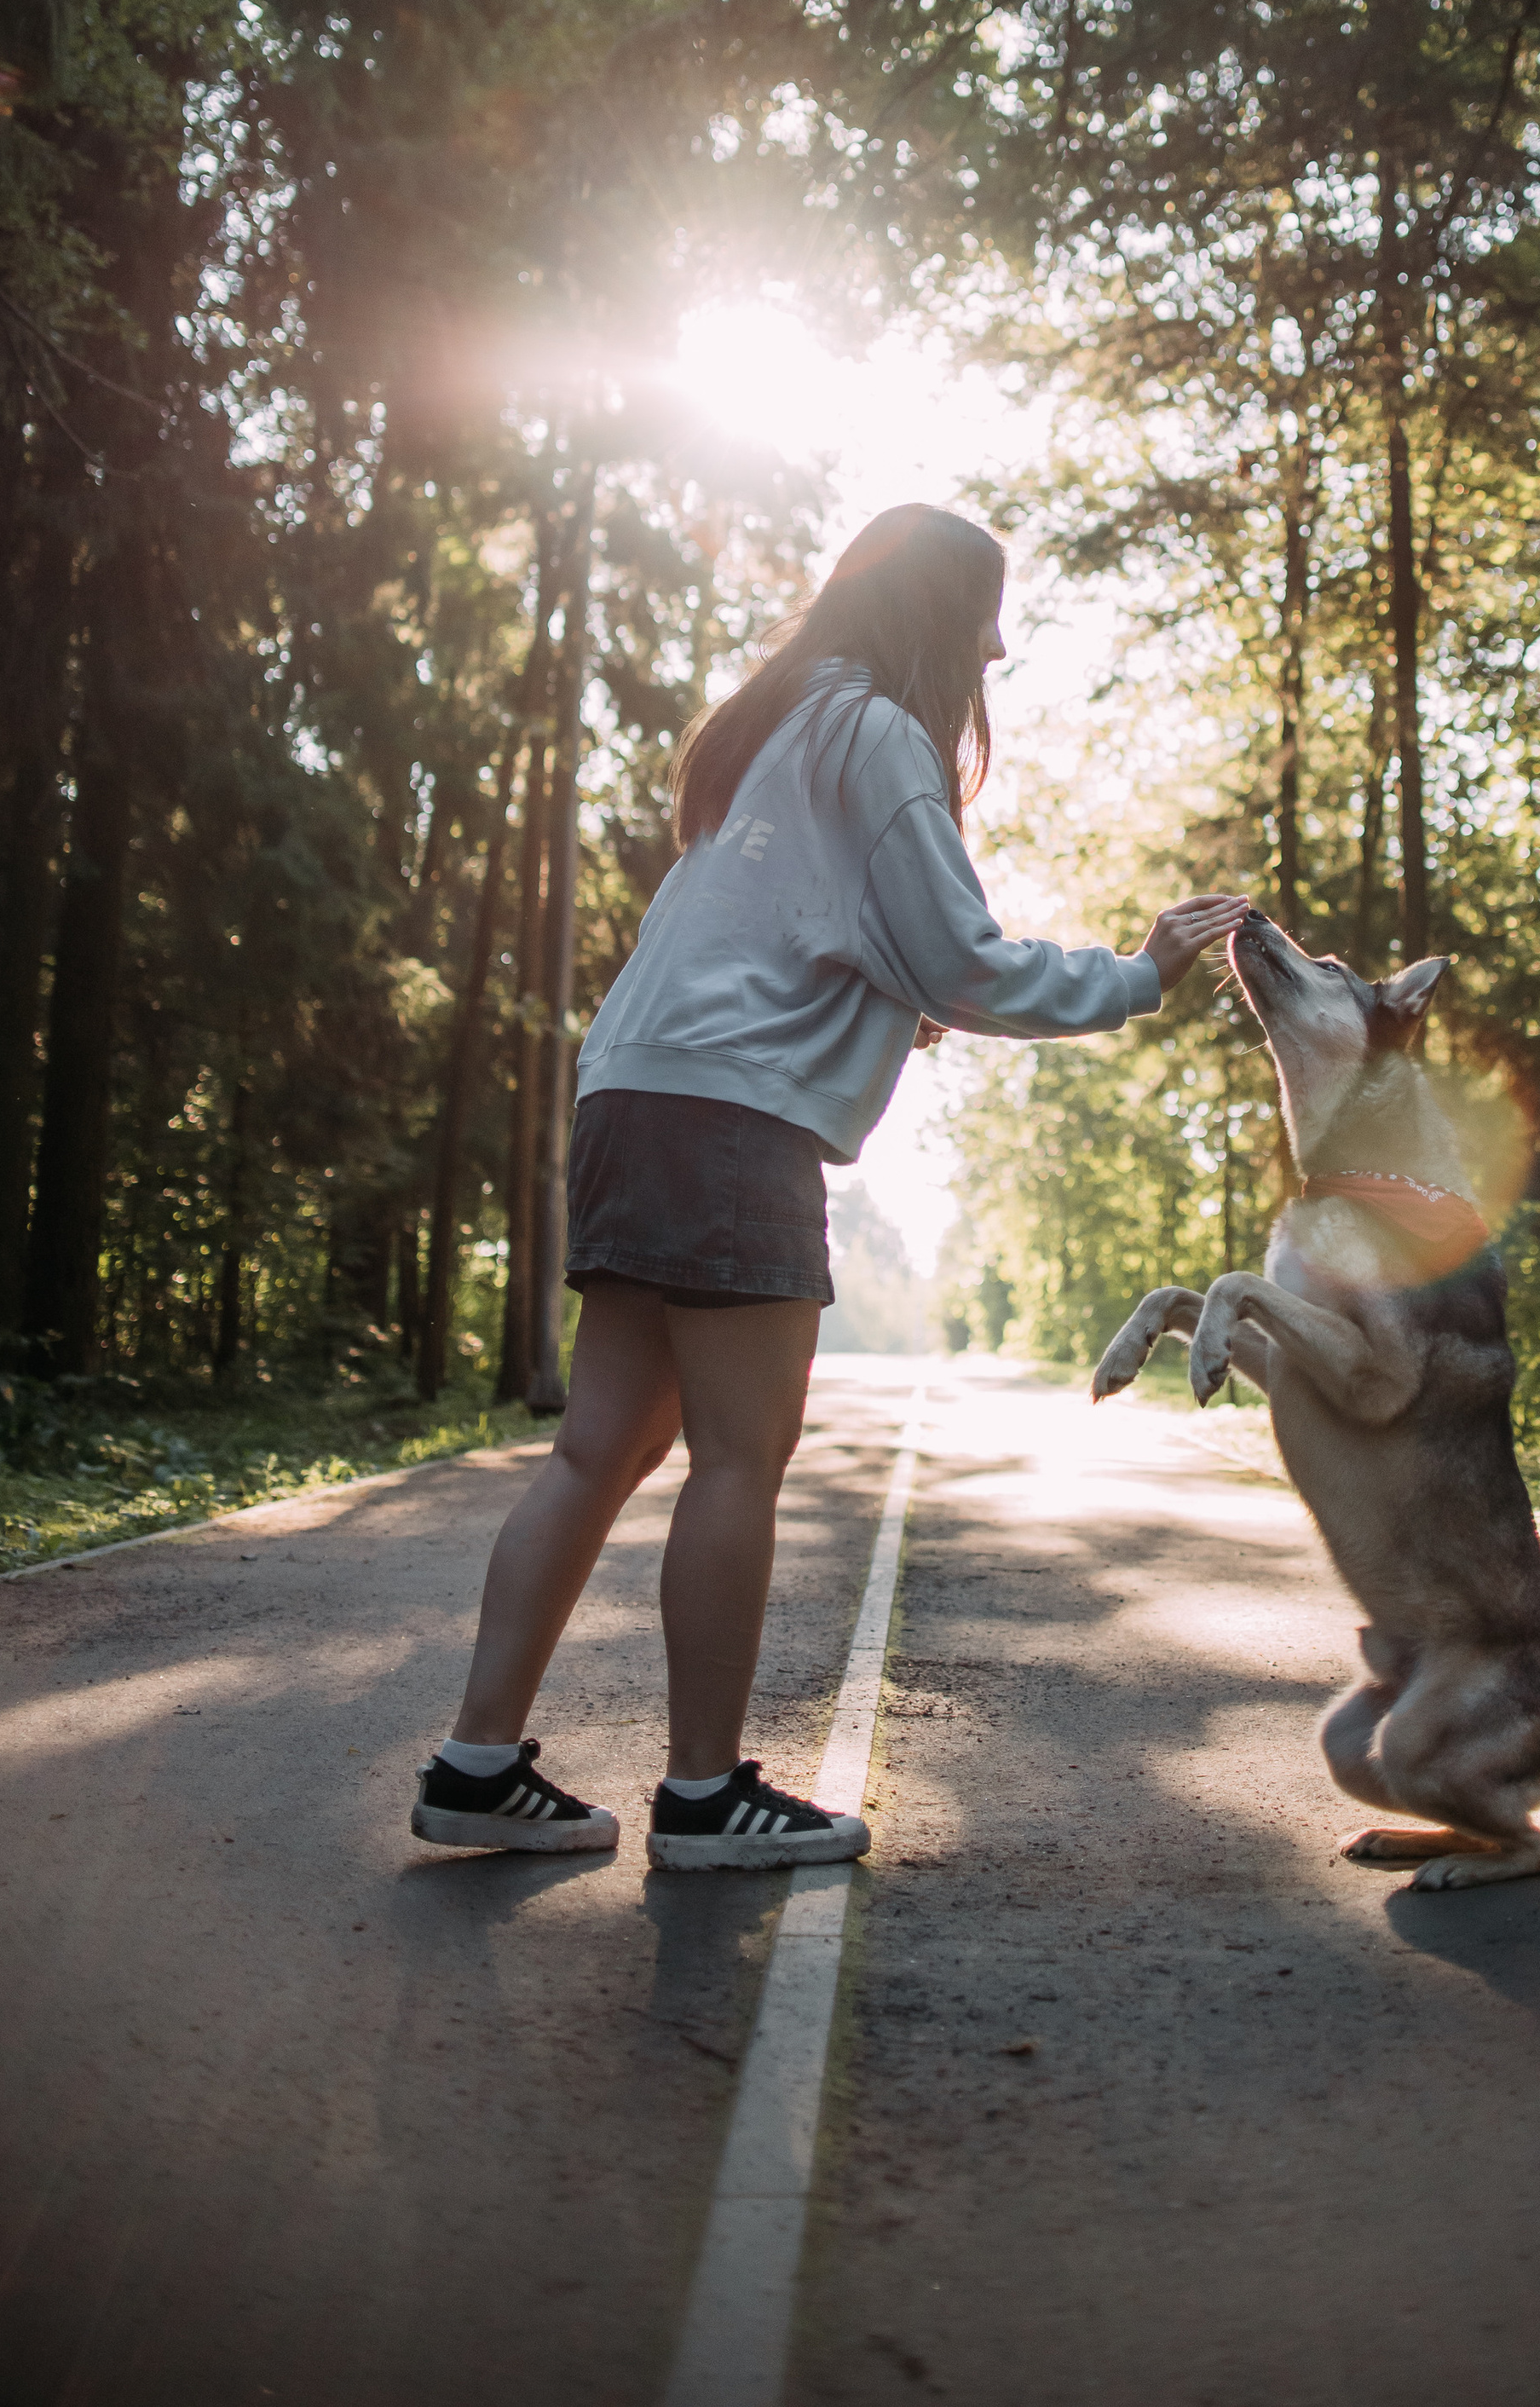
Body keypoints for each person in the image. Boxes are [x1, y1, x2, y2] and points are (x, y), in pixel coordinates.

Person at [412, 504, 1246, 1871]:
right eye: (986, 609)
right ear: (934, 611)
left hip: (629, 1089)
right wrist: (1139, 973)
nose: (998, 639)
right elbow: (964, 963)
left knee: (599, 1446)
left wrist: (880, 1004)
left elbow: (812, 940)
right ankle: (700, 1797)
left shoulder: (777, 728)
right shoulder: (879, 737)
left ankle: (476, 1764)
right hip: (730, 1122)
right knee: (742, 1454)